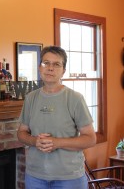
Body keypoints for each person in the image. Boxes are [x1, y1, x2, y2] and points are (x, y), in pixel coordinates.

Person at [17, 46, 96, 189]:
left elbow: (90, 138)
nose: (50, 68)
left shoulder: (75, 99)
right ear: (40, 68)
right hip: (35, 177)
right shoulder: (30, 98)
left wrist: (57, 142)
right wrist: (34, 141)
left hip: (69, 178)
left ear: (63, 71)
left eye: (56, 64)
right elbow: (21, 133)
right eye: (46, 63)